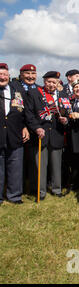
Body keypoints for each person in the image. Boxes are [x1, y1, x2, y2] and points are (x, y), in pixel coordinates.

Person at [25, 71, 70, 199]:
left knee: (56, 165)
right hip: (40, 134)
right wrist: (36, 127)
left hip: (57, 134)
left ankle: (57, 189)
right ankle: (41, 191)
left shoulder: (63, 94)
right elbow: (29, 114)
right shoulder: (34, 93)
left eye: (54, 82)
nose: (51, 84)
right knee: (40, 166)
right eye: (48, 82)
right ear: (44, 82)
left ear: (58, 83)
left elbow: (67, 112)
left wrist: (65, 119)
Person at [0, 63, 30, 205]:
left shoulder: (17, 89)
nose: (2, 77)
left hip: (15, 135)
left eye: (5, 74)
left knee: (16, 168)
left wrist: (24, 126)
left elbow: (24, 112)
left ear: (9, 76)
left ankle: (14, 196)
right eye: (0, 74)